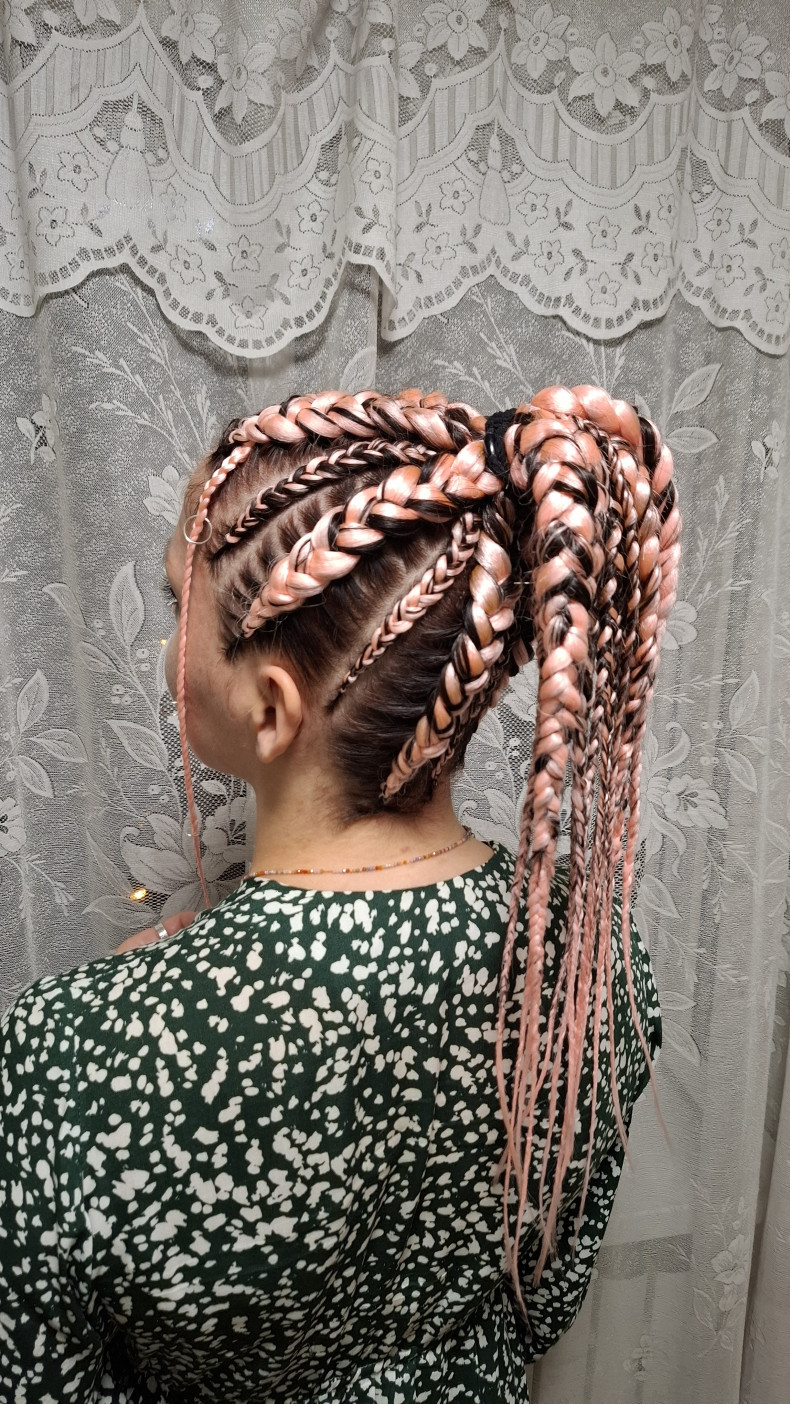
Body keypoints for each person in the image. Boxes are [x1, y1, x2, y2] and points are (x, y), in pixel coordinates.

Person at [0, 384, 679, 1403]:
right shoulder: (594, 963)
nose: (166, 647)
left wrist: (140, 1013)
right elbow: (543, 1299)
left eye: (180, 608)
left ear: (270, 708)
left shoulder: (67, 1054)